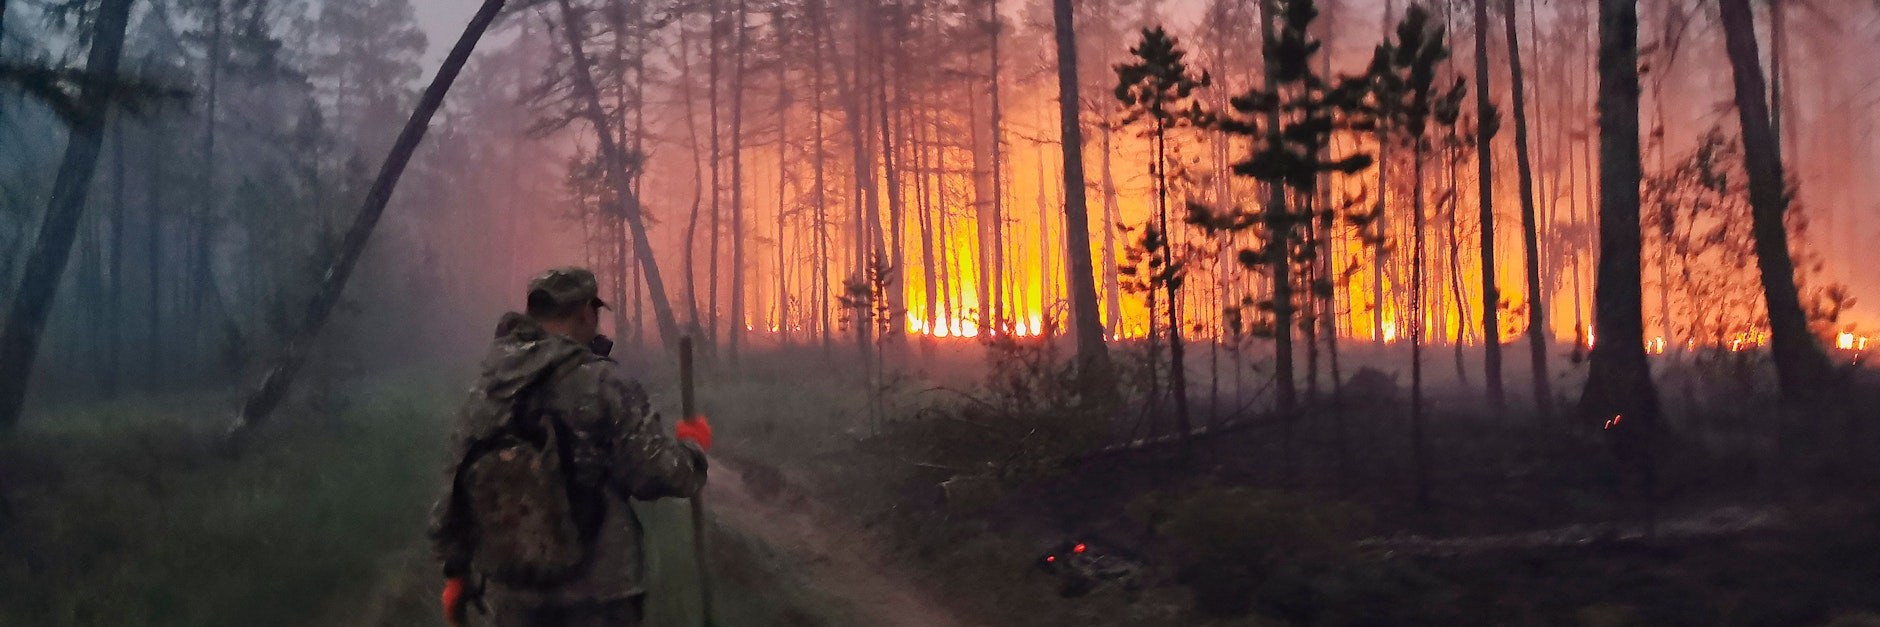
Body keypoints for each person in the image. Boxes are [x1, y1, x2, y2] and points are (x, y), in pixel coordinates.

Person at [429, 267, 712, 627]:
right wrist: (691, 447)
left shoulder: (488, 389)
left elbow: (455, 490)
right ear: (585, 313)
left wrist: (455, 576)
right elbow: (653, 473)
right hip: (599, 596)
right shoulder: (600, 382)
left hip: (512, 595)